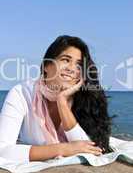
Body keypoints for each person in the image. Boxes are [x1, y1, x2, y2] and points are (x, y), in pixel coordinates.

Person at [0, 35, 111, 163]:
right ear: (46, 66)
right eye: (65, 60)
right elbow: (3, 150)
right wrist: (64, 148)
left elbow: (92, 149)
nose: (71, 69)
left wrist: (62, 102)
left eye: (79, 65)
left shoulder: (84, 97)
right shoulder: (21, 93)